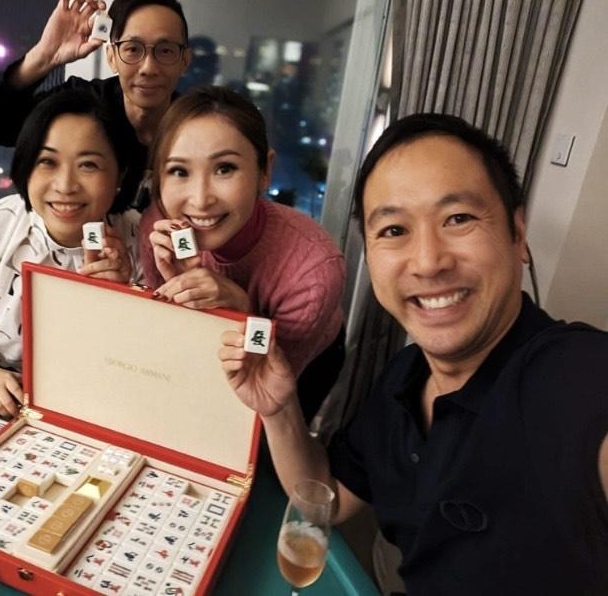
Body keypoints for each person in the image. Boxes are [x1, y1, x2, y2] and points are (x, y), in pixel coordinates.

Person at [218, 113, 608, 594]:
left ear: (517, 234)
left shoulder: (575, 378)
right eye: (393, 230)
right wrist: (278, 409)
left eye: (458, 219)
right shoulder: (404, 377)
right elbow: (330, 497)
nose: (428, 262)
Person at [0, 90, 140, 418]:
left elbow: (150, 362)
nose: (65, 185)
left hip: (97, 408)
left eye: (88, 165)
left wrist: (126, 300)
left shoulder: (141, 239)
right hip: (3, 398)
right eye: (47, 161)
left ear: (120, 173)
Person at [141, 86, 346, 418]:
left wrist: (241, 310)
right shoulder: (156, 228)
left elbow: (266, 393)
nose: (200, 200)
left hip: (303, 360)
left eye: (224, 168)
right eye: (179, 171)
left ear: (265, 171)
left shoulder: (314, 271)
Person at [0, 0, 191, 209]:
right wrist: (44, 56)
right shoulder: (82, 106)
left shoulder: (195, 126)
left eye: (166, 51)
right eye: (132, 49)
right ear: (112, 57)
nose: (148, 68)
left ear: (185, 61)